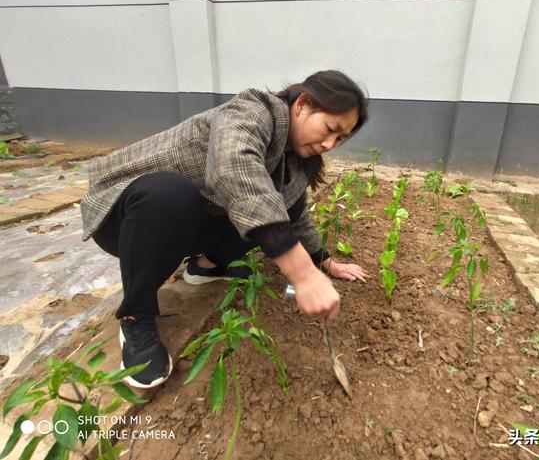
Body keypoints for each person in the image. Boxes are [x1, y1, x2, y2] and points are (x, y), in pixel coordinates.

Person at [80, 70, 371, 388]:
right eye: (330, 128)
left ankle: (205, 268)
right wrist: (303, 274)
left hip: (184, 225)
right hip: (125, 218)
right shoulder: (252, 110)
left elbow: (296, 215)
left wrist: (325, 262)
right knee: (176, 195)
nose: (329, 143)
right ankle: (136, 315)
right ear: (302, 104)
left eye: (340, 139)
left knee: (270, 211)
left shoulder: (296, 161)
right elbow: (234, 168)